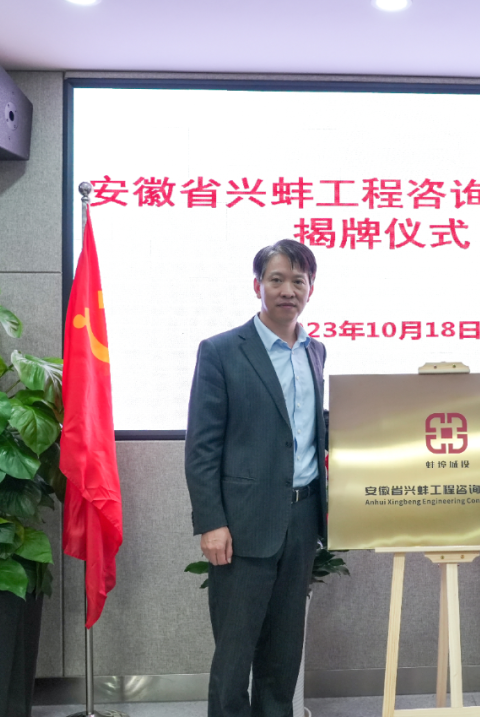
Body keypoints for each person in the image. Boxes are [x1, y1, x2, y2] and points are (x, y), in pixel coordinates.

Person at [184, 239, 327, 717]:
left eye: (298, 281)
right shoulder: (222, 351)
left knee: (282, 657)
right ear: (257, 285)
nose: (288, 290)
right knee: (234, 655)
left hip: (302, 520)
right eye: (277, 279)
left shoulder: (315, 351)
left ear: (310, 289)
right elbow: (203, 446)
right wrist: (211, 522)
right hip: (242, 526)